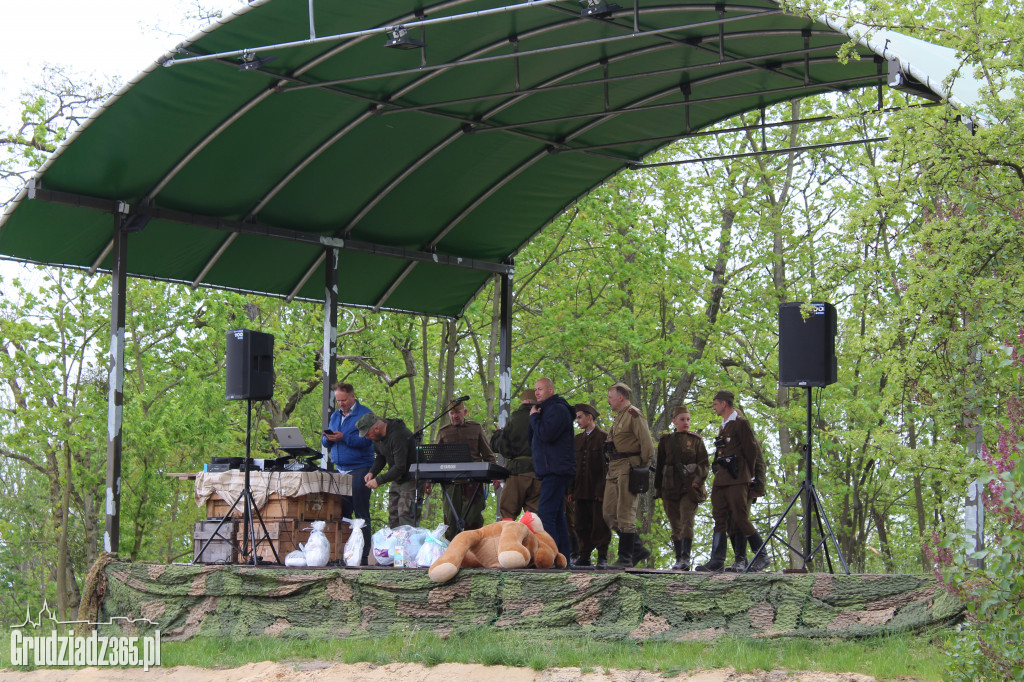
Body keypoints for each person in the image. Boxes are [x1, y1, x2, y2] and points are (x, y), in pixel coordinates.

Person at [695, 390, 770, 572]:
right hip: (722, 479)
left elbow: (752, 451)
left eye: (715, 404)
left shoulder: (740, 423)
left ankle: (761, 555)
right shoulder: (724, 425)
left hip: (738, 478)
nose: (714, 407)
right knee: (720, 517)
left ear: (724, 404)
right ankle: (717, 560)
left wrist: (750, 477)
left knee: (740, 517)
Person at [603, 382, 655, 568]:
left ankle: (625, 557)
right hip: (614, 467)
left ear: (621, 397)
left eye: (610, 397)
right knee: (609, 514)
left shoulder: (634, 414)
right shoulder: (618, 418)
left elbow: (646, 443)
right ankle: (637, 548)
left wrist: (642, 466)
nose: (608, 400)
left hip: (628, 466)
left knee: (626, 513)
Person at [321, 382, 374, 565]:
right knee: (340, 512)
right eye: (338, 401)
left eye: (343, 400)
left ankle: (364, 556)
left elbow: (368, 441)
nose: (341, 404)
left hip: (360, 467)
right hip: (340, 469)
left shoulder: (365, 414)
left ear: (352, 397)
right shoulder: (335, 415)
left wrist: (344, 438)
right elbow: (325, 441)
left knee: (361, 513)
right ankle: (341, 553)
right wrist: (327, 439)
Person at [654, 406, 709, 570]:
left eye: (688, 419)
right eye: (682, 419)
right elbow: (660, 466)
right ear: (674, 421)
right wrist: (658, 489)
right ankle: (679, 558)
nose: (686, 422)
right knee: (675, 523)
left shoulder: (696, 440)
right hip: (669, 487)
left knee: (687, 521)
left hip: (689, 487)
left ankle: (685, 558)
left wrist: (697, 481)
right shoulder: (665, 440)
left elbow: (704, 464)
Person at [528, 377, 576, 560]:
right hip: (551, 469)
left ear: (551, 389)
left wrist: (534, 418)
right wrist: (535, 417)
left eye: (540, 389)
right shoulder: (546, 409)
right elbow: (533, 437)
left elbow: (546, 434)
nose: (537, 392)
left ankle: (550, 555)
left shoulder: (557, 409)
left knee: (546, 513)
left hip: (556, 469)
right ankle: (563, 556)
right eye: (535, 389)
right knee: (556, 514)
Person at [437, 399, 497, 541]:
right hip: (451, 484)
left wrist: (495, 476)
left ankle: (475, 556)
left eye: (457, 412)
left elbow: (488, 454)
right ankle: (452, 554)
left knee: (474, 520)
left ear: (465, 412)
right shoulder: (443, 432)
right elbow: (435, 459)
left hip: (473, 482)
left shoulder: (475, 428)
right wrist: (427, 482)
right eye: (451, 413)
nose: (454, 416)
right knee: (450, 522)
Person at [358, 412, 417, 528]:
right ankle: (394, 544)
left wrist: (378, 480)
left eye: (368, 434)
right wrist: (372, 472)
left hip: (412, 478)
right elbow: (381, 456)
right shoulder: (378, 438)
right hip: (397, 477)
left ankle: (408, 544)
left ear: (376, 428)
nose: (367, 438)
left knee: (406, 515)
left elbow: (400, 467)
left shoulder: (398, 435)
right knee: (393, 516)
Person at [490, 388, 542, 519]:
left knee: (508, 514)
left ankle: (510, 539)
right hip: (539, 473)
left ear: (523, 402)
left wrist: (498, 434)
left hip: (517, 473)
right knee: (535, 518)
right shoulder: (544, 418)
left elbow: (501, 447)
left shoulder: (516, 419)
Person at [571, 403, 611, 568]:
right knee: (580, 523)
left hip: (596, 489)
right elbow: (572, 465)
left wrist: (602, 489)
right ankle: (584, 555)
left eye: (580, 417)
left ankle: (602, 556)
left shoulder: (604, 438)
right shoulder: (577, 439)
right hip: (580, 488)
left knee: (600, 523)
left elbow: (607, 466)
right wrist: (570, 489)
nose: (578, 420)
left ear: (590, 417)